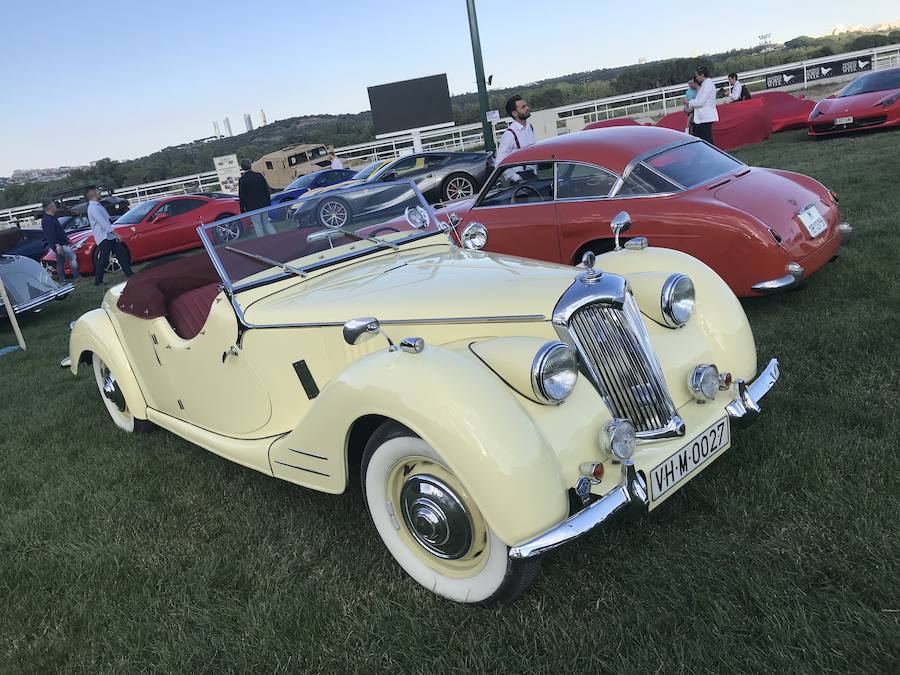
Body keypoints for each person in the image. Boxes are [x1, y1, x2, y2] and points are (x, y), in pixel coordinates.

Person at [86, 187, 133, 286]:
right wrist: (117, 234)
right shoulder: (93, 208)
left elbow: (107, 219)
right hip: (103, 237)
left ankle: (130, 274)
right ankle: (98, 281)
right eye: (98, 192)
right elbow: (103, 223)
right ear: (93, 194)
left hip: (109, 236)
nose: (100, 193)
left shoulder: (98, 206)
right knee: (103, 258)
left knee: (121, 253)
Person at [41, 198, 82, 282]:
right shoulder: (48, 220)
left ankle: (63, 280)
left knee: (60, 262)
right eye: (54, 205)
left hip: (60, 244)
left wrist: (67, 239)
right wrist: (57, 245)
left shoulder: (51, 218)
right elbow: (51, 234)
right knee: (72, 257)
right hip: (60, 245)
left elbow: (59, 232)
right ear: (50, 207)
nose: (56, 206)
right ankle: (77, 277)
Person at [238, 158, 275, 237]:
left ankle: (262, 241)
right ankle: (275, 237)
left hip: (252, 206)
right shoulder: (259, 175)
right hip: (264, 203)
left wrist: (242, 208)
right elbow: (266, 190)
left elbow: (242, 195)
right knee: (266, 222)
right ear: (250, 165)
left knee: (257, 224)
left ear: (242, 167)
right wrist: (268, 202)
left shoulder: (242, 180)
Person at [496, 95, 536, 166]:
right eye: (523, 107)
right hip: (520, 174)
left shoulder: (530, 127)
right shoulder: (510, 134)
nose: (527, 108)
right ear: (514, 113)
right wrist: (516, 177)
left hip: (533, 174)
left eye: (526, 105)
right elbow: (499, 163)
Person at [685, 66, 719, 146]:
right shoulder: (706, 84)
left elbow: (700, 102)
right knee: (702, 139)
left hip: (705, 117)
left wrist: (689, 102)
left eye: (697, 76)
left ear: (702, 75)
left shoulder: (707, 85)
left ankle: (711, 155)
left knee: (707, 140)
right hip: (703, 117)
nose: (696, 78)